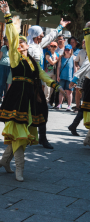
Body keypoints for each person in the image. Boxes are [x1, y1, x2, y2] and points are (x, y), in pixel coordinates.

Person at [0, 1, 65, 182]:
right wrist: (8, 15)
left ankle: (4, 160)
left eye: (22, 43)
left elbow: (43, 75)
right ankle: (20, 169)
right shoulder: (15, 58)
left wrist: (56, 86)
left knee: (23, 133)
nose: (19, 44)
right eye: (16, 43)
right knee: (19, 131)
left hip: (30, 98)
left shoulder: (33, 62)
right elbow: (11, 36)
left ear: (27, 46)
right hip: (17, 98)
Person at [26, 17, 69, 150]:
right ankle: (23, 137)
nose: (43, 35)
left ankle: (43, 138)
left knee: (42, 109)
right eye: (41, 33)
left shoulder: (38, 45)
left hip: (38, 82)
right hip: (28, 84)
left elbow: (51, 36)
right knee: (27, 111)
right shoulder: (28, 48)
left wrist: (60, 27)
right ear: (35, 35)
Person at [55, 44, 76, 111]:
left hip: (70, 77)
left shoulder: (73, 58)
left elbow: (75, 69)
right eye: (66, 49)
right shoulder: (61, 57)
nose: (67, 51)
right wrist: (58, 76)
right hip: (62, 77)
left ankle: (69, 105)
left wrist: (74, 78)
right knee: (61, 91)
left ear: (71, 50)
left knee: (69, 92)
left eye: (68, 50)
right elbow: (58, 67)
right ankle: (60, 104)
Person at [44, 42, 59, 106]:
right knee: (47, 88)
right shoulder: (47, 53)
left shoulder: (57, 54)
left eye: (54, 46)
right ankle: (45, 102)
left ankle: (48, 102)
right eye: (52, 46)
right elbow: (52, 62)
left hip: (54, 73)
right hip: (47, 73)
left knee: (52, 89)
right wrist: (58, 59)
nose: (53, 47)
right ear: (50, 46)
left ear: (56, 47)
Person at [74, 40, 87, 110]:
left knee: (87, 91)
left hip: (89, 73)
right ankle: (77, 106)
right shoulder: (80, 51)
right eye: (82, 42)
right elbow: (76, 61)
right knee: (78, 90)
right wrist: (77, 68)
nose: (83, 44)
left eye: (84, 42)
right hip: (81, 73)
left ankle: (86, 107)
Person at [0, 37, 10, 102]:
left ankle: (6, 96)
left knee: (8, 82)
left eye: (7, 40)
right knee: (2, 81)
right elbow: (0, 57)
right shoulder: (3, 47)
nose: (6, 42)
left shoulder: (13, 48)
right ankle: (0, 96)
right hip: (2, 65)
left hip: (10, 66)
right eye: (5, 40)